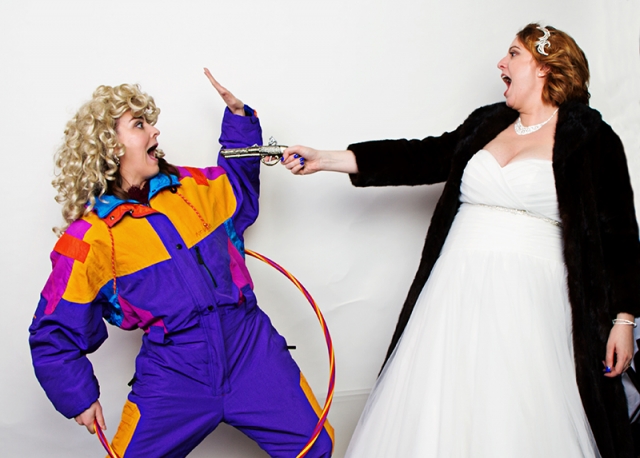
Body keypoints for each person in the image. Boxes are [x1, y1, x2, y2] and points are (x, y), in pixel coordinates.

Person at [282, 23, 640, 457]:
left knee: (516, 414)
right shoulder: (488, 123)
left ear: (544, 67)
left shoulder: (592, 137)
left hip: (535, 303)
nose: (501, 63)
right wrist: (326, 159)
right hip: (454, 292)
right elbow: (421, 156)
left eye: (514, 54)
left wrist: (624, 320)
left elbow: (620, 233)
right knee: (440, 408)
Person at [29, 70, 334, 457]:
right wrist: (78, 396)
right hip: (176, 372)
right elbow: (53, 331)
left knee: (315, 447)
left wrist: (239, 122)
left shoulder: (194, 189)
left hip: (252, 352)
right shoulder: (90, 240)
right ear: (110, 146)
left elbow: (238, 188)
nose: (155, 131)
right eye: (139, 125)